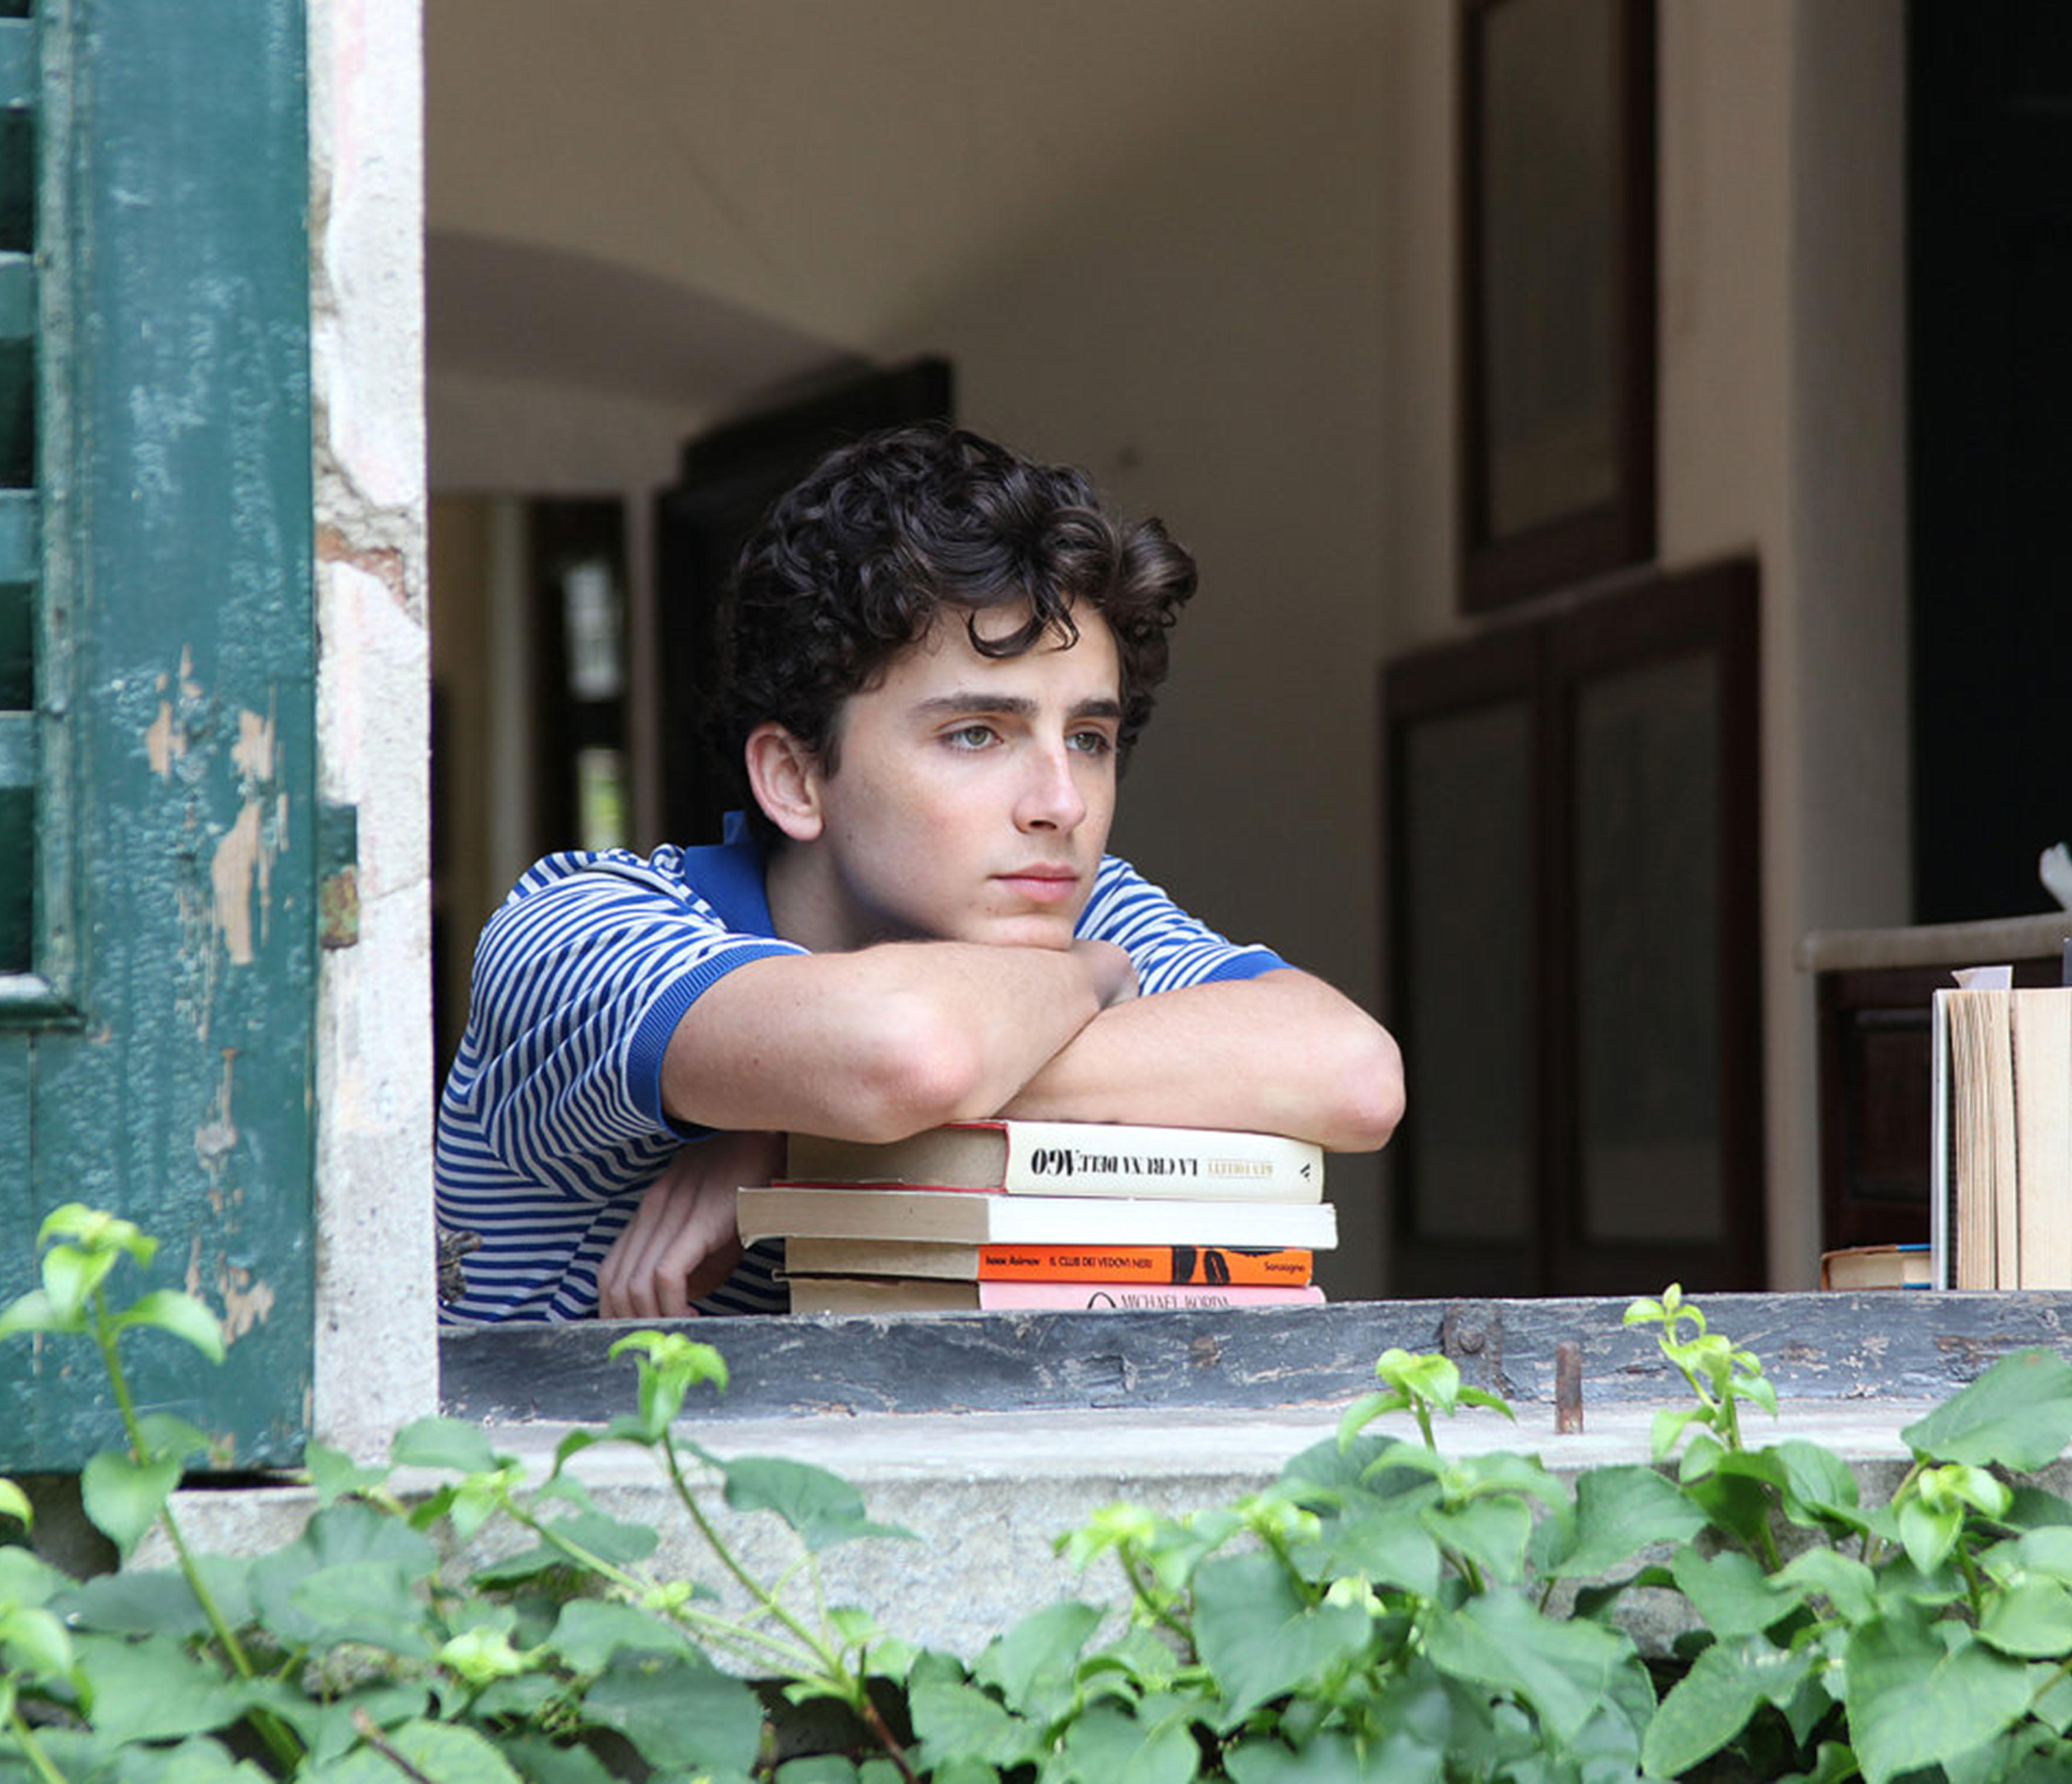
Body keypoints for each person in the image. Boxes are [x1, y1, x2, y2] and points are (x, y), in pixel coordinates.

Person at [436, 424, 1405, 1321]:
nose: (1062, 804)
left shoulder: (1062, 900)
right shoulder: (577, 930)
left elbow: (1354, 1074)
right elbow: (912, 1052)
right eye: (977, 733)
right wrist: (1091, 978)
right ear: (797, 776)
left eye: (1091, 737)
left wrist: (788, 1135)